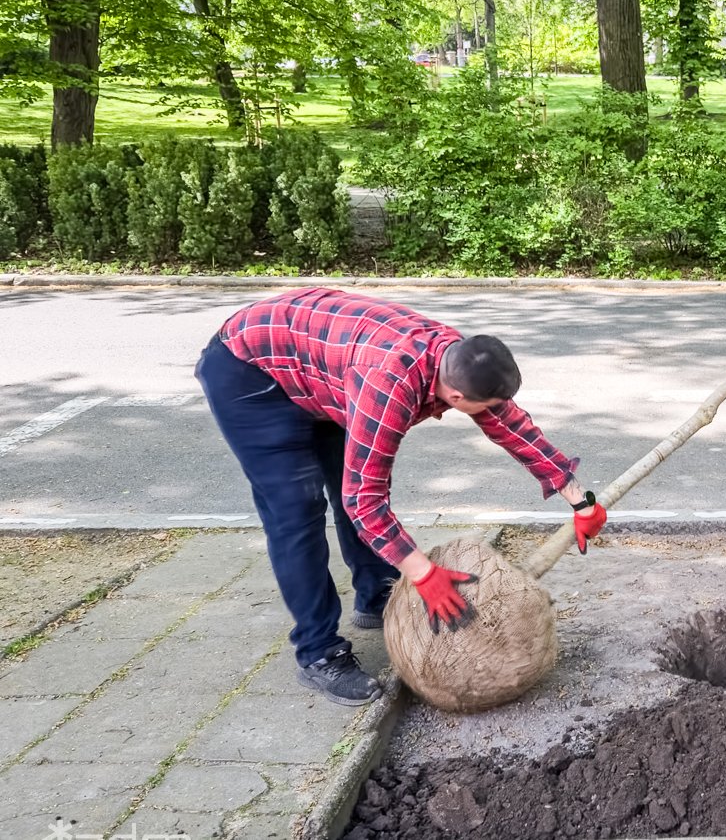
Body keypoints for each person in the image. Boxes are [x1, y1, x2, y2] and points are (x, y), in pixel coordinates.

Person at [195, 288, 607, 706]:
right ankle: (318, 652)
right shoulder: (390, 385)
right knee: (297, 512)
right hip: (251, 374)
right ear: (457, 397)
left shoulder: (459, 359)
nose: (496, 411)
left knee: (349, 483)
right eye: (487, 405)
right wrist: (425, 575)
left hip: (321, 369)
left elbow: (510, 425)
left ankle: (375, 595)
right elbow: (365, 500)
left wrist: (580, 501)